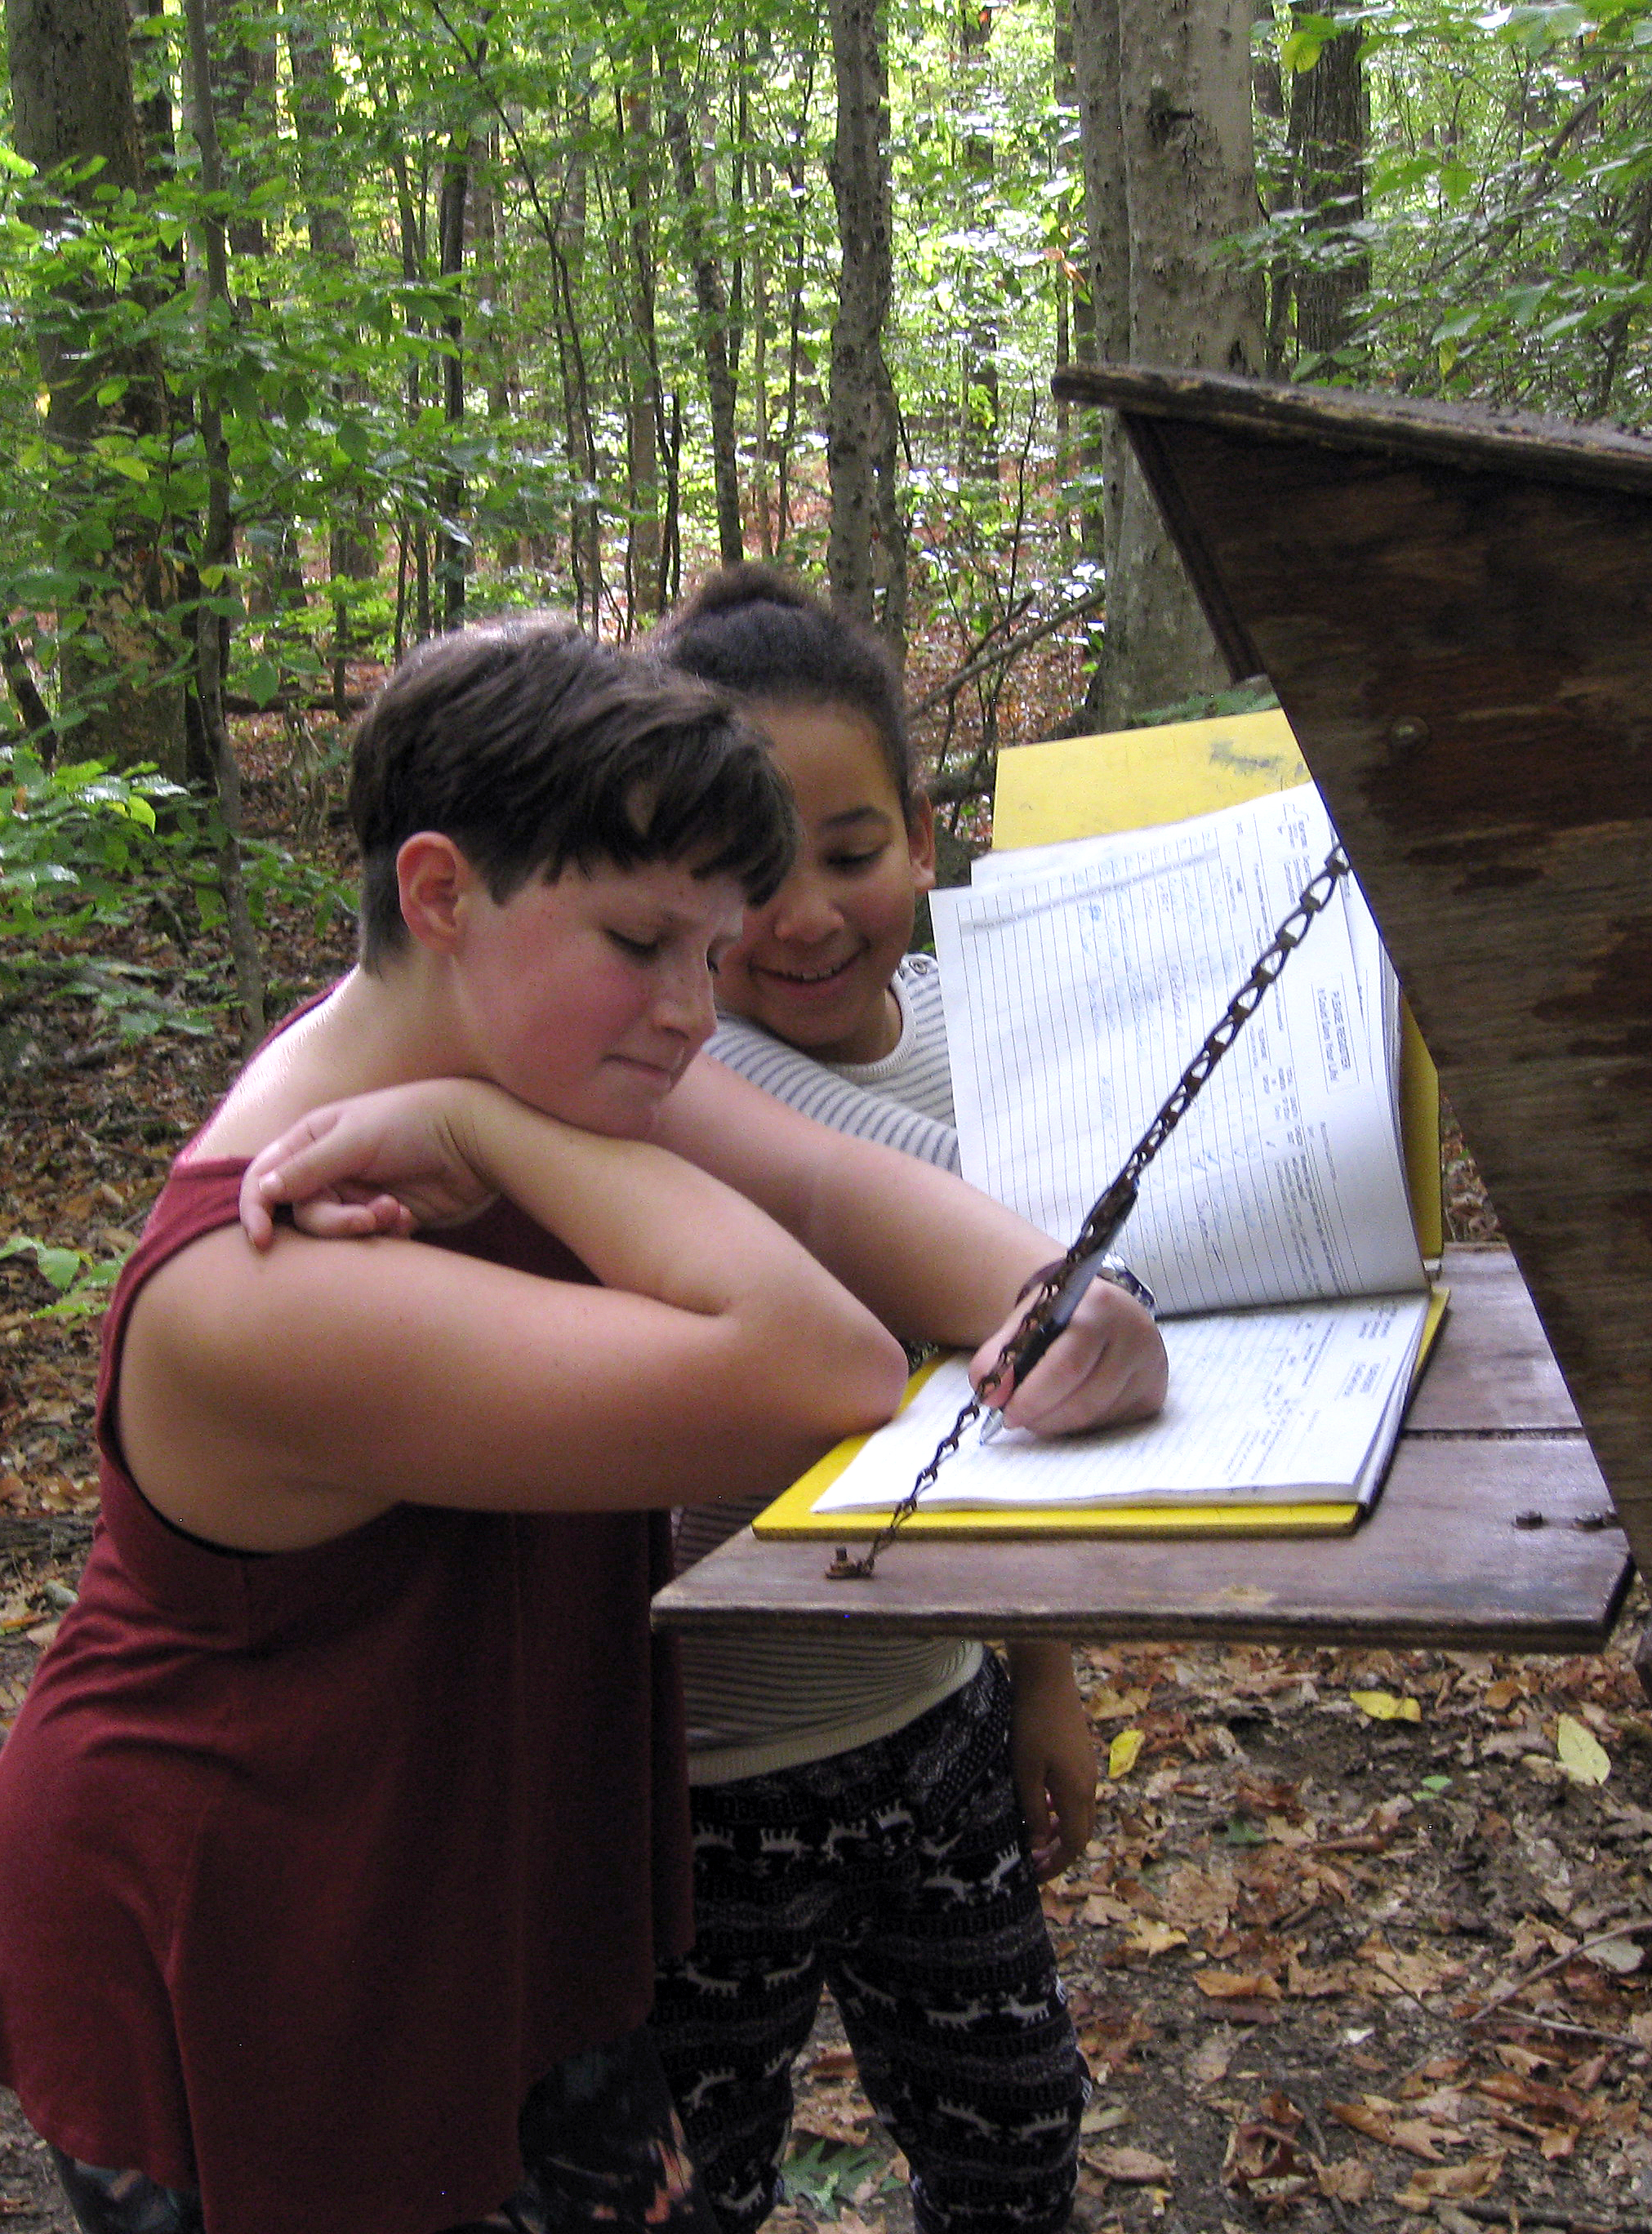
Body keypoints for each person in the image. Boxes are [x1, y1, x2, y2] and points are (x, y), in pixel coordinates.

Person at [0, 614, 1165, 2234]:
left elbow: (831, 1188)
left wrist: (1071, 1296)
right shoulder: (269, 1277)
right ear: (441, 894)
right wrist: (484, 1134)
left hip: (471, 1874)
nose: (694, 1010)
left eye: (708, 952)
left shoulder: (554, 1053)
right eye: (646, 942)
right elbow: (823, 1371)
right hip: (259, 1915)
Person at [641, 567, 1116, 2234]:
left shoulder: (986, 1033)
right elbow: (1017, 1240)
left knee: (1015, 2143)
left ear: (920, 834)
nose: (802, 918)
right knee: (697, 2183)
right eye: (745, 873)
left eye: (848, 855)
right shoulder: (665, 1075)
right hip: (704, 1775)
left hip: (934, 1721)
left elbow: (1026, 1403)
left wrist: (1043, 1678)